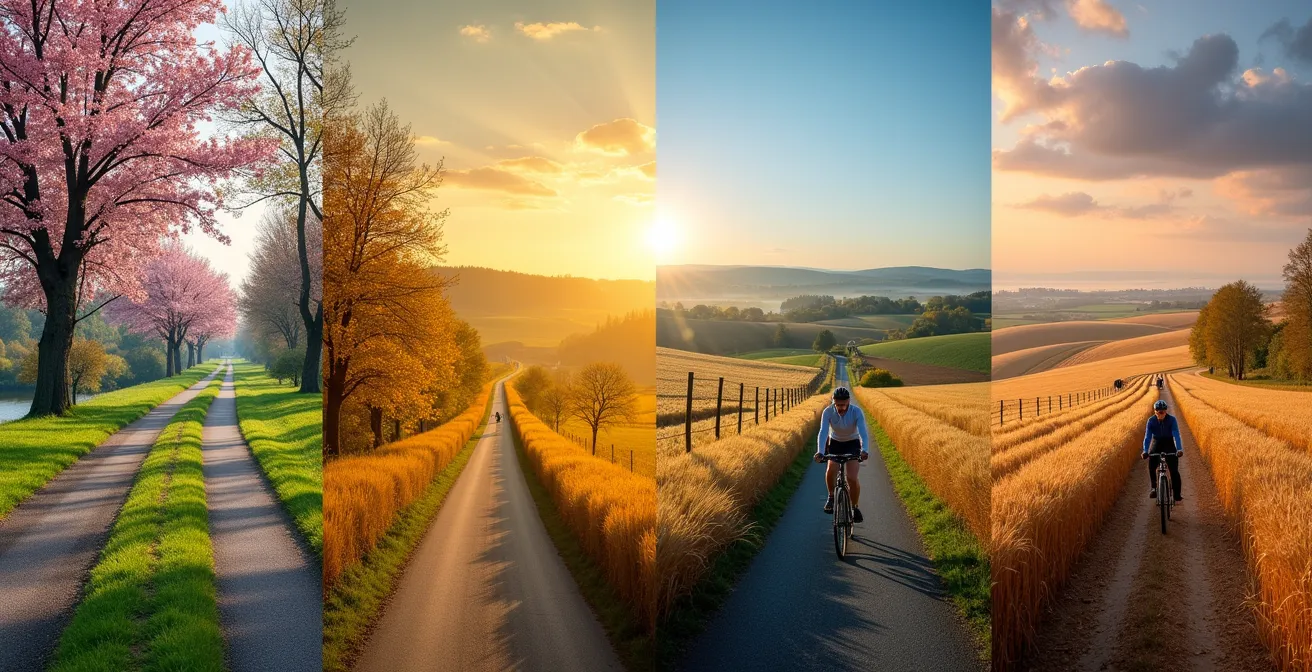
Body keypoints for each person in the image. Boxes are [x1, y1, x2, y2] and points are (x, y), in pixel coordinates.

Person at [813, 386, 871, 522]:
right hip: (835, 443)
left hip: (852, 444)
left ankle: (854, 507)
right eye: (838, 404)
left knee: (851, 477)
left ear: (849, 401)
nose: (841, 408)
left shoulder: (856, 412)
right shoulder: (828, 411)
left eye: (844, 405)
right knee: (831, 469)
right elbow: (823, 432)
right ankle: (831, 496)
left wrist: (865, 450)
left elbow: (863, 432)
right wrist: (820, 452)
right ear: (833, 401)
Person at [1142, 399, 1183, 502]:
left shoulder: (1172, 420)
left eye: (1162, 412)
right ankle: (1154, 488)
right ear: (1155, 411)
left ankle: (1177, 494)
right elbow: (1147, 437)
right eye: (1158, 411)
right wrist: (1145, 451)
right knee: (1151, 465)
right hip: (1157, 442)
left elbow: (1176, 435)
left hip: (1169, 442)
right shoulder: (1151, 421)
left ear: (1166, 411)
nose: (1160, 414)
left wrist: (1179, 449)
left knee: (1174, 470)